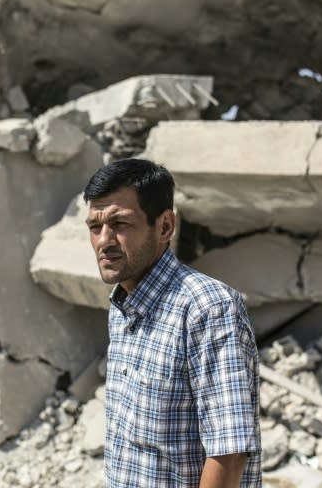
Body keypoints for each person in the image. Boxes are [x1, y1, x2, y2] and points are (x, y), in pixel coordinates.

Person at [84, 158, 262, 488]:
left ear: (165, 226)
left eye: (120, 224)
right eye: (95, 227)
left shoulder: (207, 309)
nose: (103, 241)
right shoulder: (121, 306)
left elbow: (229, 453)